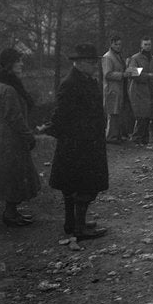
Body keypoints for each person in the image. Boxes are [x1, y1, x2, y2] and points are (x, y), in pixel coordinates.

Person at [44, 44, 109, 241]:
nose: (95, 66)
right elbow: (61, 114)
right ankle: (78, 227)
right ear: (79, 63)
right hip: (79, 144)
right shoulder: (71, 83)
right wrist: (55, 130)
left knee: (77, 184)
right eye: (91, 63)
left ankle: (73, 223)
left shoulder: (86, 80)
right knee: (82, 185)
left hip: (86, 141)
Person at [0, 48, 40, 227]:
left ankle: (12, 211)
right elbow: (15, 118)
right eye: (18, 61)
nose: (22, 64)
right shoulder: (9, 88)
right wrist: (29, 137)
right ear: (10, 64)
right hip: (11, 138)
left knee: (11, 175)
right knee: (14, 175)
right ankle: (10, 214)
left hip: (2, 135)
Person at [126, 37, 153, 145]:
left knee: (148, 115)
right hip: (138, 89)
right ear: (141, 46)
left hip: (149, 89)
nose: (147, 47)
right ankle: (137, 139)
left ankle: (144, 139)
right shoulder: (136, 58)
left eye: (149, 44)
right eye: (145, 44)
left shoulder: (151, 59)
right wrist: (148, 76)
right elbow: (131, 73)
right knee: (141, 115)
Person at [101, 35, 129, 144]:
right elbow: (107, 74)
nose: (118, 47)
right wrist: (122, 75)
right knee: (112, 113)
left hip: (119, 88)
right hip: (112, 89)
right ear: (111, 44)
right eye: (116, 44)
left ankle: (117, 136)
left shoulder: (118, 57)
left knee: (118, 112)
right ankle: (111, 137)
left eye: (120, 44)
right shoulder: (107, 57)